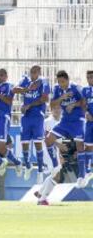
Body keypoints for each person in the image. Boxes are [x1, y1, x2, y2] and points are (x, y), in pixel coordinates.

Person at [35, 70, 85, 205]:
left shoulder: (76, 88)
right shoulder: (57, 90)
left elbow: (84, 102)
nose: (61, 84)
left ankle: (83, 174)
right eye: (59, 82)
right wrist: (62, 98)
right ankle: (42, 196)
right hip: (65, 129)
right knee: (56, 173)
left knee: (81, 148)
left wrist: (74, 104)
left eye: (63, 82)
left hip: (76, 125)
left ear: (68, 80)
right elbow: (52, 104)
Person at [13, 66, 50, 183]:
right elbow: (14, 89)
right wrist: (27, 89)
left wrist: (29, 105)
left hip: (38, 116)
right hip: (26, 117)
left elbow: (44, 98)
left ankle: (40, 171)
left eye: (35, 72)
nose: (32, 74)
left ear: (39, 72)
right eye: (31, 72)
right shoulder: (25, 80)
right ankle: (28, 166)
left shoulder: (44, 82)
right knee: (24, 143)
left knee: (38, 144)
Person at [81, 70, 93, 184]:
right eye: (88, 77)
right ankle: (88, 171)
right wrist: (86, 113)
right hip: (89, 123)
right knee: (88, 146)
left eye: (91, 77)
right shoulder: (85, 90)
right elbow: (83, 105)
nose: (89, 79)